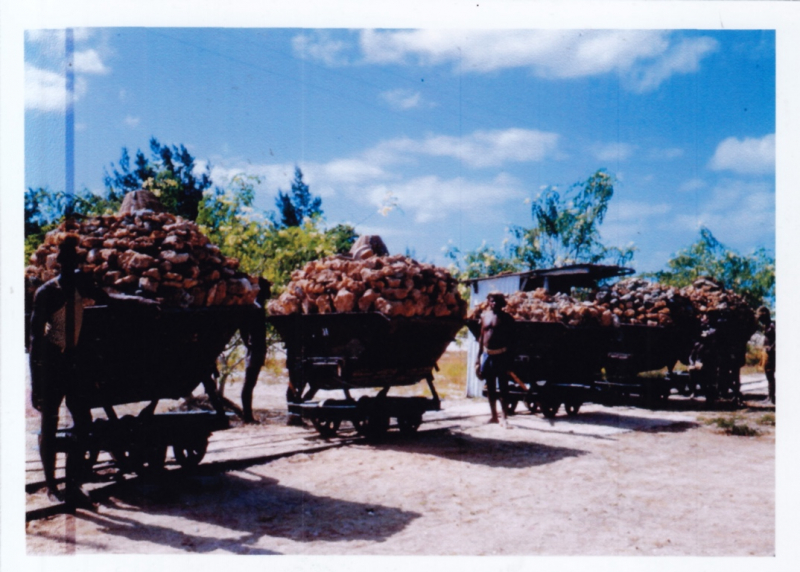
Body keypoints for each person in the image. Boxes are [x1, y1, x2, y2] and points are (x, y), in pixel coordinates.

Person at [29, 235, 158, 506]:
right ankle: (53, 486)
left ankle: (73, 484)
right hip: (52, 365)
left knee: (83, 424)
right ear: (58, 266)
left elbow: (109, 298)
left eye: (75, 263)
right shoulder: (46, 293)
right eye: (67, 264)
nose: (72, 268)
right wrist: (36, 385)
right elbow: (34, 342)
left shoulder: (82, 284)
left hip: (74, 364)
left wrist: (140, 302)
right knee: (49, 426)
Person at [475, 292, 516, 426]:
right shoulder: (484, 316)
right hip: (488, 356)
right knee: (490, 388)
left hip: (502, 356)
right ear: (488, 302)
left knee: (503, 387)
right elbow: (481, 339)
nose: (494, 304)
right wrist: (477, 359)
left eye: (497, 301)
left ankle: (504, 418)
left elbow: (513, 340)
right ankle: (494, 416)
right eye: (492, 301)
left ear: (502, 303)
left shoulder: (507, 318)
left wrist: (510, 360)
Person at [240, 278, 271, 423]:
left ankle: (247, 415)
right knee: (249, 383)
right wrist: (250, 345)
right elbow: (245, 330)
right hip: (255, 350)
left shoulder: (255, 307)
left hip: (255, 349)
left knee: (250, 383)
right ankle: (247, 416)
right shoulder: (255, 309)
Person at [757, 306, 775, 404]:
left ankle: (772, 397)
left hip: (771, 352)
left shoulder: (772, 325)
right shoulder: (766, 326)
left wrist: (771, 347)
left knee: (770, 374)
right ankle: (770, 396)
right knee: (768, 374)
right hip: (766, 351)